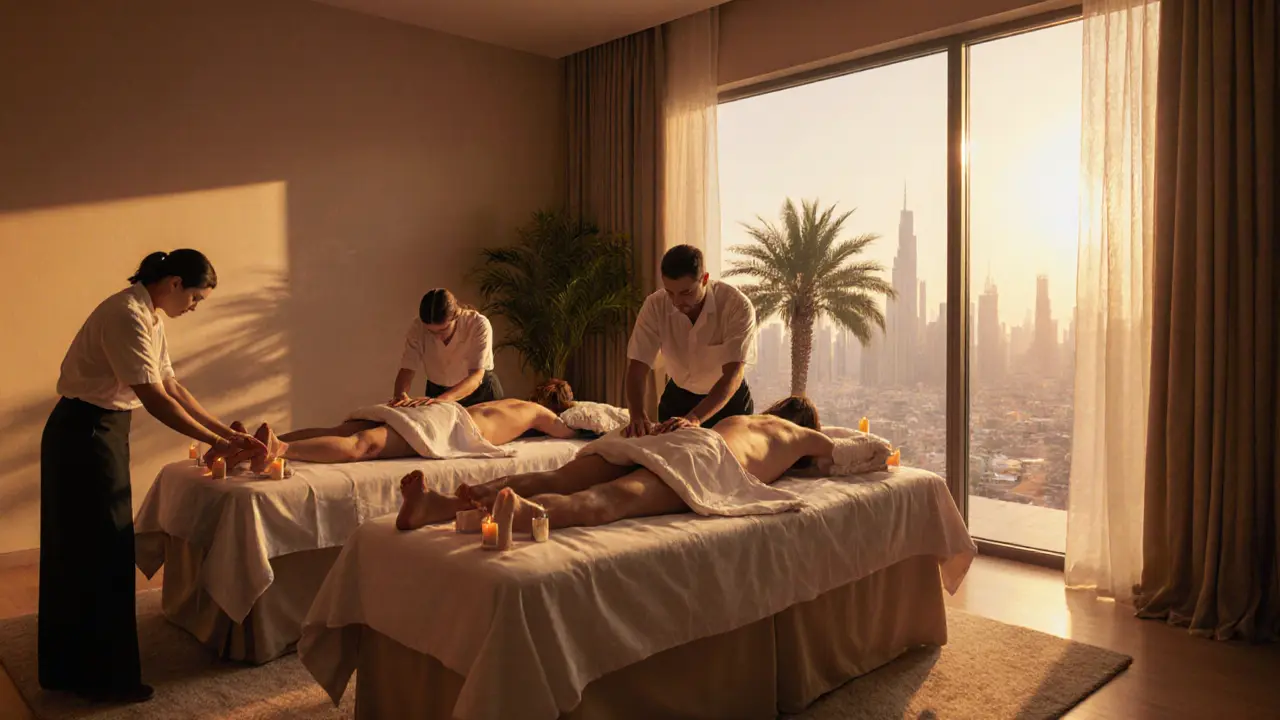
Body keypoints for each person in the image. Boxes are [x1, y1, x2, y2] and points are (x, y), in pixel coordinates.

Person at [39, 250, 265, 703]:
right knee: (97, 552)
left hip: (99, 432)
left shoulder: (149, 315)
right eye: (196, 298)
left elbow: (173, 387)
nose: (195, 307)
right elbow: (155, 399)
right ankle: (102, 679)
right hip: (83, 435)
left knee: (94, 550)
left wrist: (225, 433)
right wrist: (216, 444)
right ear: (175, 282)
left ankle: (74, 668)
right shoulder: (126, 314)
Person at [395, 396, 831, 533]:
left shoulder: (739, 420)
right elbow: (849, 448)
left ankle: (441, 506)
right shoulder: (792, 434)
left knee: (556, 476)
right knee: (610, 501)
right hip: (703, 458)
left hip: (680, 438)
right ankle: (532, 515)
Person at [242, 380, 580, 466]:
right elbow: (565, 431)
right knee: (365, 445)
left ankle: (268, 440)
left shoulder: (510, 401)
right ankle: (280, 448)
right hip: (451, 424)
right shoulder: (539, 413)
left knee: (344, 431)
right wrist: (581, 423)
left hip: (441, 411)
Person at [624, 245, 758, 438]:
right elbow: (637, 366)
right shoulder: (655, 305)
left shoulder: (736, 306)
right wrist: (637, 414)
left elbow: (733, 375)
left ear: (704, 279)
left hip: (727, 401)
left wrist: (694, 418)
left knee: (727, 464)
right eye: (670, 292)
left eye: (686, 293)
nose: (677, 302)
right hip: (677, 397)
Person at [392, 288, 502, 408]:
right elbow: (408, 367)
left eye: (443, 330)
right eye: (431, 332)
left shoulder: (478, 324)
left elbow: (476, 375)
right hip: (437, 391)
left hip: (480, 393)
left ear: (456, 315)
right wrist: (400, 394)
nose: (438, 337)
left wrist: (443, 400)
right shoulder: (418, 327)